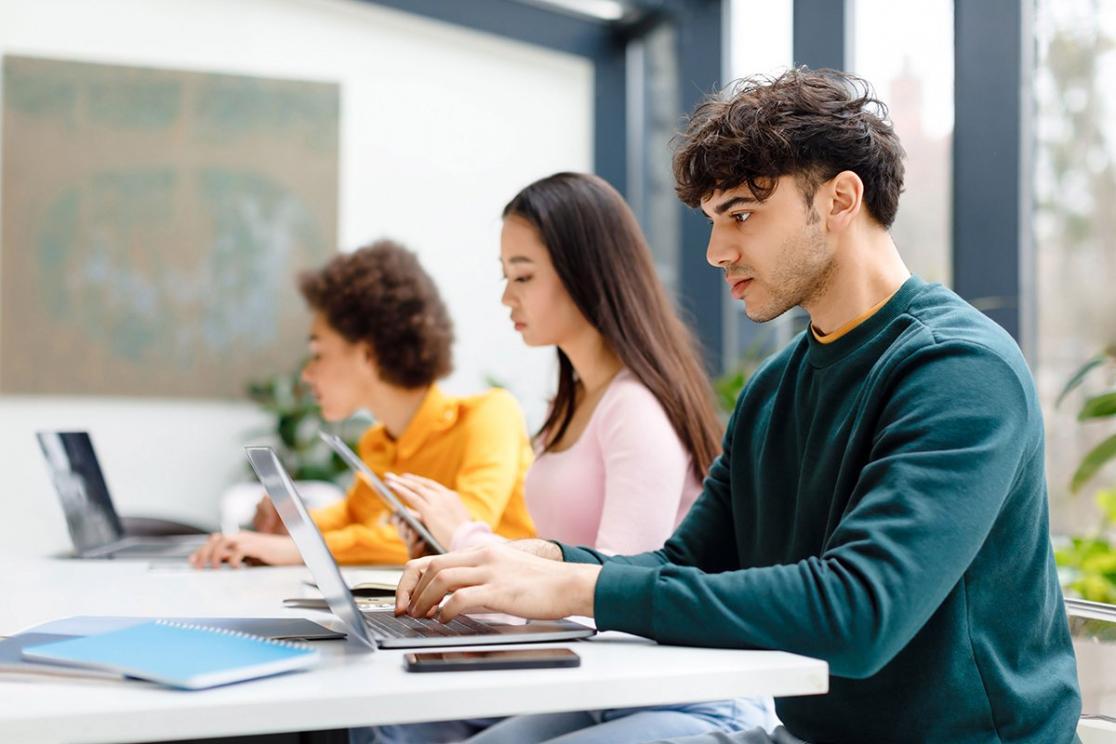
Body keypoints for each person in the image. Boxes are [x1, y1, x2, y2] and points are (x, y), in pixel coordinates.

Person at [393, 69, 1082, 744]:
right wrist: (541, 560)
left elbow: (860, 613)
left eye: (742, 216)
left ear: (841, 200)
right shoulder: (777, 384)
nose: (718, 251)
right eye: (713, 221)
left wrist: (578, 591)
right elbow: (688, 565)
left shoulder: (958, 369)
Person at [371, 173, 771, 743]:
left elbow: (606, 590)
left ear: (586, 274)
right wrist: (451, 558)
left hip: (675, 690)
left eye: (524, 277)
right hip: (604, 681)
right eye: (506, 277)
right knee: (397, 722)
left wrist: (466, 538)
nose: (508, 297)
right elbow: (561, 585)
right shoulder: (574, 404)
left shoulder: (634, 408)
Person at [190, 240, 535, 568]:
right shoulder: (378, 444)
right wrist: (293, 521)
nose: (308, 375)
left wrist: (302, 548)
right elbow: (352, 517)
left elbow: (452, 535)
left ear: (369, 354)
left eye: (318, 355)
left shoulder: (490, 416)